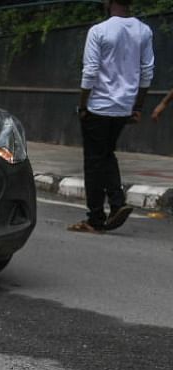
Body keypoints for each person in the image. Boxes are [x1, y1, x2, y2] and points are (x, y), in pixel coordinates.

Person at [68, 0, 154, 233]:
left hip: (98, 106)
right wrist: (138, 106)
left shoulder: (99, 31)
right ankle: (117, 203)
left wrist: (83, 105)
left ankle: (95, 218)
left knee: (94, 161)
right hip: (124, 107)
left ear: (108, 2)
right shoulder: (144, 31)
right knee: (106, 154)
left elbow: (90, 71)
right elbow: (147, 72)